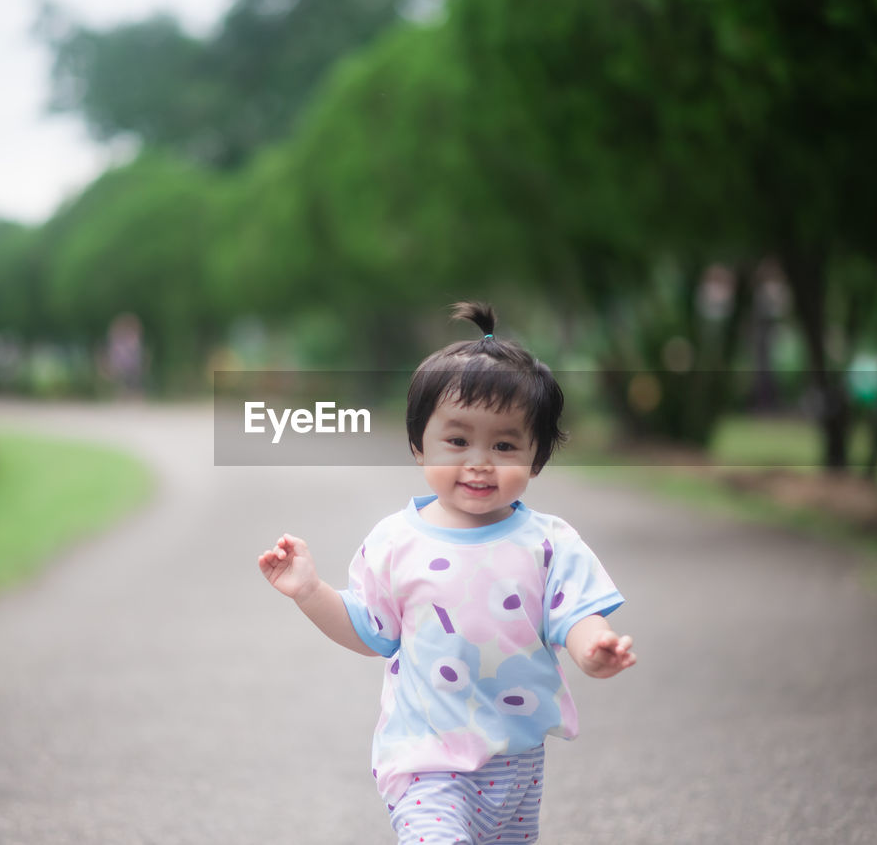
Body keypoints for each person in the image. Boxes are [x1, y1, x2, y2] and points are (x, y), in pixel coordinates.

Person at [257, 301, 637, 843]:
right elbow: (371, 631)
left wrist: (593, 647)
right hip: (423, 758)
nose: (480, 461)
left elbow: (576, 615)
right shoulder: (396, 542)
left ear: (536, 458)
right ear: (418, 445)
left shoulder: (549, 543)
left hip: (517, 758)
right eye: (457, 441)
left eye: (505, 445)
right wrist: (310, 591)